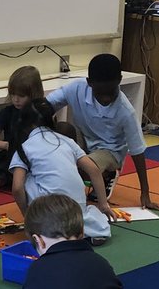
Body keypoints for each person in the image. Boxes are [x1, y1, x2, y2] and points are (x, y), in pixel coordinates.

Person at [46, 53, 159, 211]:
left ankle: (108, 174)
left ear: (119, 81)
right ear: (89, 83)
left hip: (110, 151)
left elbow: (137, 151)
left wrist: (145, 193)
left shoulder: (126, 112)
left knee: (85, 169)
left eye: (110, 92)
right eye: (100, 93)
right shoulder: (76, 88)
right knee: (62, 129)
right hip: (83, 141)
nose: (105, 98)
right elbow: (46, 106)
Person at [10, 97, 114, 244]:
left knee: (25, 177)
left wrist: (27, 218)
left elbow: (17, 187)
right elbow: (94, 171)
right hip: (77, 209)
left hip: (48, 210)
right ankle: (92, 229)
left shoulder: (25, 147)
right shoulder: (67, 141)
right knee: (84, 214)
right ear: (53, 119)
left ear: (26, 124)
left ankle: (45, 228)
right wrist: (104, 205)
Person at [0, 65, 44, 190]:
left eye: (21, 96)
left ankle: (17, 180)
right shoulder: (7, 112)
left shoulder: (40, 113)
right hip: (10, 155)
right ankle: (6, 179)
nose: (16, 99)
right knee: (0, 169)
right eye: (13, 94)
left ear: (34, 94)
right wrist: (7, 145)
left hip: (32, 156)